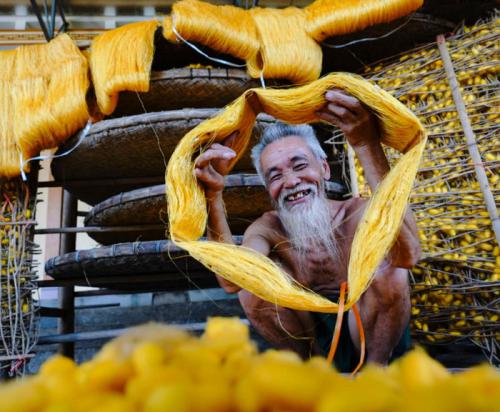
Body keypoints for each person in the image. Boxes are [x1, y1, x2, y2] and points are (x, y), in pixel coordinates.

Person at [194, 89, 421, 371]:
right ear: (269, 190)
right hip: (311, 347)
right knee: (251, 283)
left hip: (374, 334)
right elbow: (232, 283)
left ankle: (376, 374)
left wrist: (366, 144)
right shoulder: (268, 228)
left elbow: (408, 255)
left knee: (390, 269)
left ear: (324, 169)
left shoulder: (357, 213)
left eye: (299, 165)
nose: (290, 181)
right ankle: (312, 374)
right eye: (275, 176)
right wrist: (212, 196)